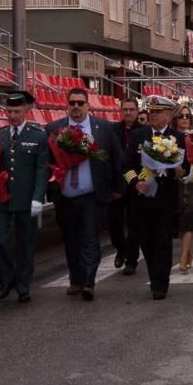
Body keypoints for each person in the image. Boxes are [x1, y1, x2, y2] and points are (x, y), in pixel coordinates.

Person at [46, 87, 124, 302]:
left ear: (88, 105)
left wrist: (119, 188)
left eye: (81, 103)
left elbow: (117, 158)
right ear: (67, 105)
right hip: (65, 195)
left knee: (89, 238)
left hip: (92, 194)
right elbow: (46, 163)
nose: (77, 107)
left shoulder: (103, 129)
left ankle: (89, 282)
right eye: (72, 103)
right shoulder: (54, 129)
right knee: (71, 239)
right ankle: (76, 279)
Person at [123, 96, 189, 300]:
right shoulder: (138, 135)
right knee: (147, 242)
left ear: (168, 115)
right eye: (150, 112)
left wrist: (168, 170)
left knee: (163, 241)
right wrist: (136, 183)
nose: (152, 115)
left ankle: (161, 283)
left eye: (157, 112)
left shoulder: (176, 137)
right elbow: (126, 166)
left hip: (165, 198)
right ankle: (154, 275)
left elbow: (185, 169)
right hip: (142, 199)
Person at [0, 90, 49, 303]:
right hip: (2, 198)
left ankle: (23, 285)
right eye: (9, 111)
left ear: (26, 110)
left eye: (16, 111)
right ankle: (6, 281)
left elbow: (42, 169)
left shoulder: (38, 135)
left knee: (25, 243)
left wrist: (38, 197)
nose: (12, 115)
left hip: (26, 198)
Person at [109, 98, 143, 274]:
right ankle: (120, 248)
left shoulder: (143, 131)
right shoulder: (113, 130)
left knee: (134, 223)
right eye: (125, 109)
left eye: (131, 109)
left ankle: (131, 259)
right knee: (114, 222)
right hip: (117, 183)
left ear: (137, 111)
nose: (128, 112)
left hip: (136, 183)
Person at [176, 111, 193, 272]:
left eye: (187, 116)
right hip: (176, 181)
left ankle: (183, 257)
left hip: (192, 182)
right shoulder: (170, 137)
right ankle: (188, 252)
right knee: (180, 220)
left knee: (188, 219)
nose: (184, 119)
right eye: (181, 116)